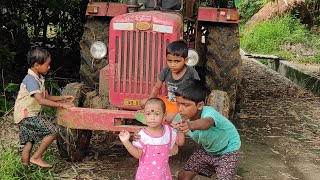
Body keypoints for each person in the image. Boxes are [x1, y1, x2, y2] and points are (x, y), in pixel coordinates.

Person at [14, 47, 75, 168]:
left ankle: (25, 171)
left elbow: (46, 97)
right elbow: (41, 101)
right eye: (47, 65)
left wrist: (64, 98)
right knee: (53, 131)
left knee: (29, 143)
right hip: (27, 116)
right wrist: (62, 105)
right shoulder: (31, 80)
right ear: (36, 65)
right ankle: (36, 157)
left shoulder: (37, 79)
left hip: (22, 116)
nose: (49, 67)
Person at [171, 79, 241, 180]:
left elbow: (207, 123)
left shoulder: (209, 113)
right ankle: (209, 167)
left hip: (228, 150)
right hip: (207, 149)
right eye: (178, 103)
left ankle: (219, 168)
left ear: (199, 105)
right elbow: (170, 126)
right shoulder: (179, 117)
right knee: (183, 177)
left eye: (186, 105)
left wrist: (190, 125)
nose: (180, 109)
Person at [119, 98, 185, 180]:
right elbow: (138, 154)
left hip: (163, 175)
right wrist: (126, 142)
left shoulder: (169, 131)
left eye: (157, 114)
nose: (152, 118)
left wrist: (181, 129)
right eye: (148, 114)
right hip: (145, 176)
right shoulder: (141, 135)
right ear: (144, 116)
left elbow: (180, 142)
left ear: (164, 116)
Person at [140, 40, 200, 124]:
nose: (172, 65)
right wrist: (150, 103)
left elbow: (197, 90)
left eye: (177, 61)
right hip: (167, 102)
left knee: (170, 118)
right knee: (143, 102)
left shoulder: (191, 72)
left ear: (185, 60)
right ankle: (160, 115)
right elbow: (157, 87)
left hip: (180, 106)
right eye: (170, 61)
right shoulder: (166, 71)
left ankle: (162, 116)